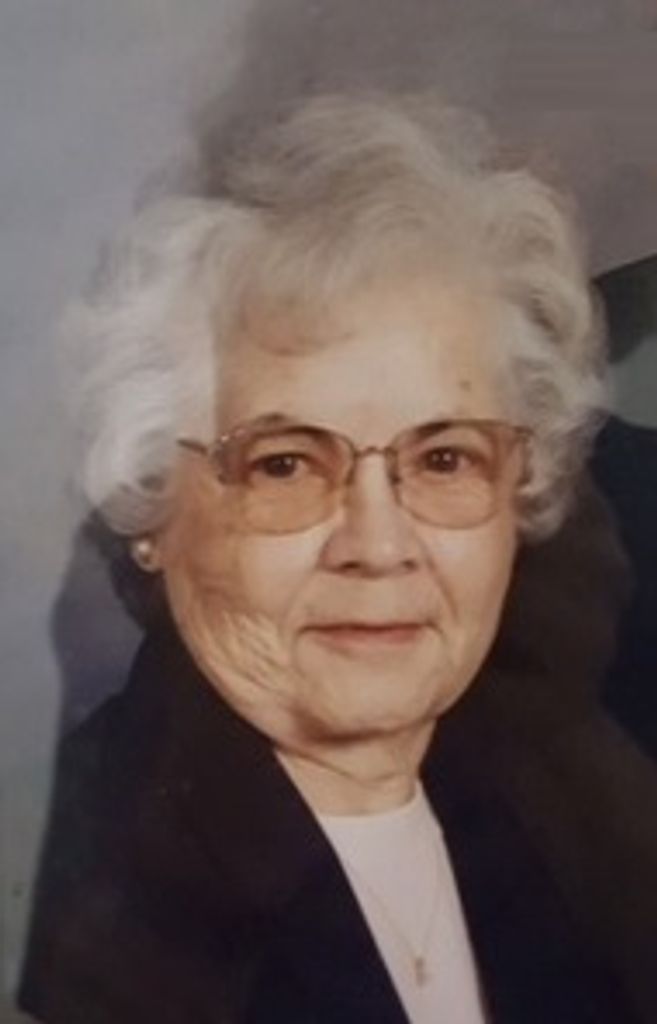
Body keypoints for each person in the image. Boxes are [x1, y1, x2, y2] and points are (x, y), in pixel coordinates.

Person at [18, 94, 646, 1023]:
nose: (378, 546)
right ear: (149, 502)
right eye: (284, 465)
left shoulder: (574, 808)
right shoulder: (75, 907)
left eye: (444, 459)